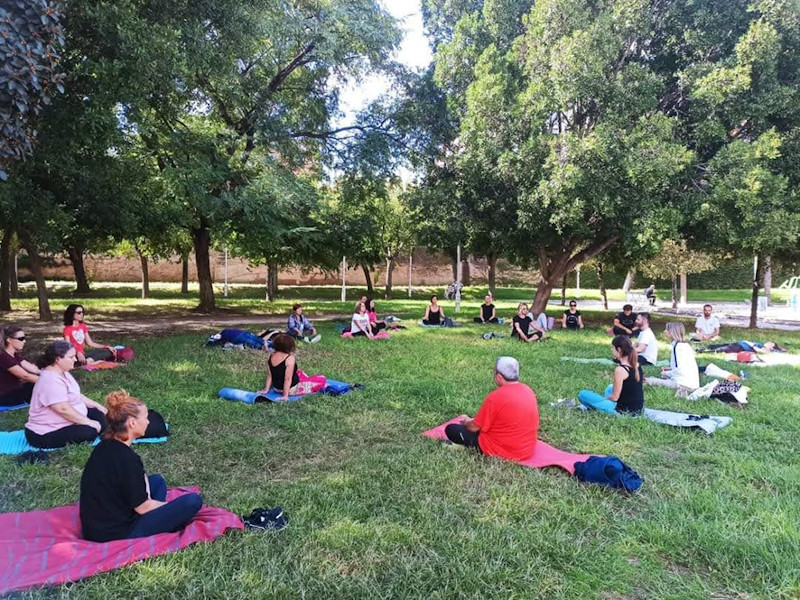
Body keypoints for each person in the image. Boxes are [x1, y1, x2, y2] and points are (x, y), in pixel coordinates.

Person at [80, 390, 202, 542]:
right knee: (192, 501)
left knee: (157, 481)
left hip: (100, 523)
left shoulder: (105, 446)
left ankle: (159, 518)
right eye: (145, 418)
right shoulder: (126, 459)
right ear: (132, 423)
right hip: (115, 533)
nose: (148, 422)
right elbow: (142, 507)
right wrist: (168, 507)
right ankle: (162, 523)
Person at [25, 341, 166, 449]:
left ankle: (139, 423)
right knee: (90, 431)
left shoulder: (63, 372)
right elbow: (62, 409)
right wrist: (88, 422)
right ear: (57, 359)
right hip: (44, 433)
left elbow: (76, 395)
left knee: (102, 417)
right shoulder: (50, 380)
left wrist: (99, 406)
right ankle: (125, 431)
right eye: (71, 357)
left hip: (67, 418)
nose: (75, 359)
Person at [444, 357, 539, 461]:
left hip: (504, 451)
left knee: (451, 429)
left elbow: (474, 428)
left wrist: (465, 422)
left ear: (499, 376)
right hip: (527, 449)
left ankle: (465, 446)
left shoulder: (496, 397)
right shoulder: (528, 390)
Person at [577, 336, 644, 415]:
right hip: (638, 408)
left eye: (612, 348)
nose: (611, 350)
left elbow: (614, 397)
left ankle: (600, 406)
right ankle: (602, 404)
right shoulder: (636, 364)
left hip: (623, 411)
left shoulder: (620, 369)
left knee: (582, 394)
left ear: (619, 349)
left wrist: (603, 399)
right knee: (610, 387)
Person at [258, 334, 325, 401]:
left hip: (276, 388)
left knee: (299, 372)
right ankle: (293, 389)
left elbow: (270, 375)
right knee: (321, 379)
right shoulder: (289, 358)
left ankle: (301, 381)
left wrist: (266, 389)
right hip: (292, 389)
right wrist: (285, 395)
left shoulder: (272, 356)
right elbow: (287, 379)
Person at [646, 322, 699, 396]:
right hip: (688, 382)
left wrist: (667, 373)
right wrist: (669, 369)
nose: (664, 331)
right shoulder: (683, 345)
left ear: (673, 332)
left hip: (683, 384)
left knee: (650, 380)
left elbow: (680, 370)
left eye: (667, 329)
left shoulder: (679, 347)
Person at [0, 326, 39, 406]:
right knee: (39, 386)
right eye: (21, 339)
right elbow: (25, 376)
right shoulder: (3, 357)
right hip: (5, 397)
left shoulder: (14, 355)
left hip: (15, 392)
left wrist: (52, 373)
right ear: (9, 340)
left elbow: (34, 369)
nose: (24, 341)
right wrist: (49, 381)